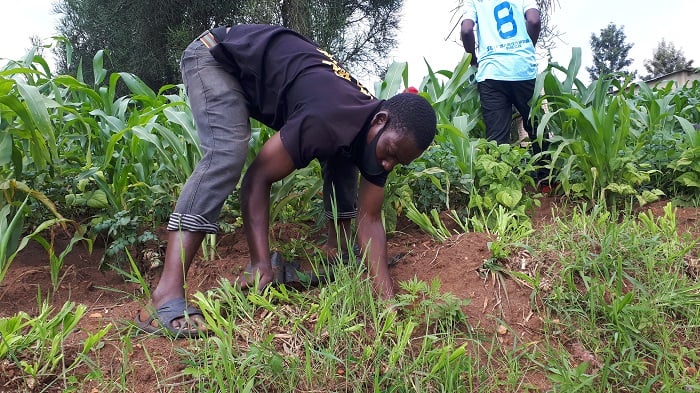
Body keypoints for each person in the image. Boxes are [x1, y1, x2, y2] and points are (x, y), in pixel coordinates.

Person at [135, 24, 437, 337]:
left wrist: (387, 301)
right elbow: (257, 177)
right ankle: (165, 296)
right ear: (380, 120)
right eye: (389, 153)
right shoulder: (330, 115)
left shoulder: (380, 137)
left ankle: (337, 249)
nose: (386, 163)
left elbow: (371, 217)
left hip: (256, 74)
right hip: (215, 56)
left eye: (397, 162)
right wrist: (261, 263)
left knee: (346, 153)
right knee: (226, 153)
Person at [460, 1, 551, 189]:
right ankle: (546, 182)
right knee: (535, 126)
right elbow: (534, 21)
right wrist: (527, 48)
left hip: (491, 73)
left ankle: (500, 188)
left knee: (497, 137)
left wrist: (474, 60)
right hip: (523, 70)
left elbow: (467, 30)